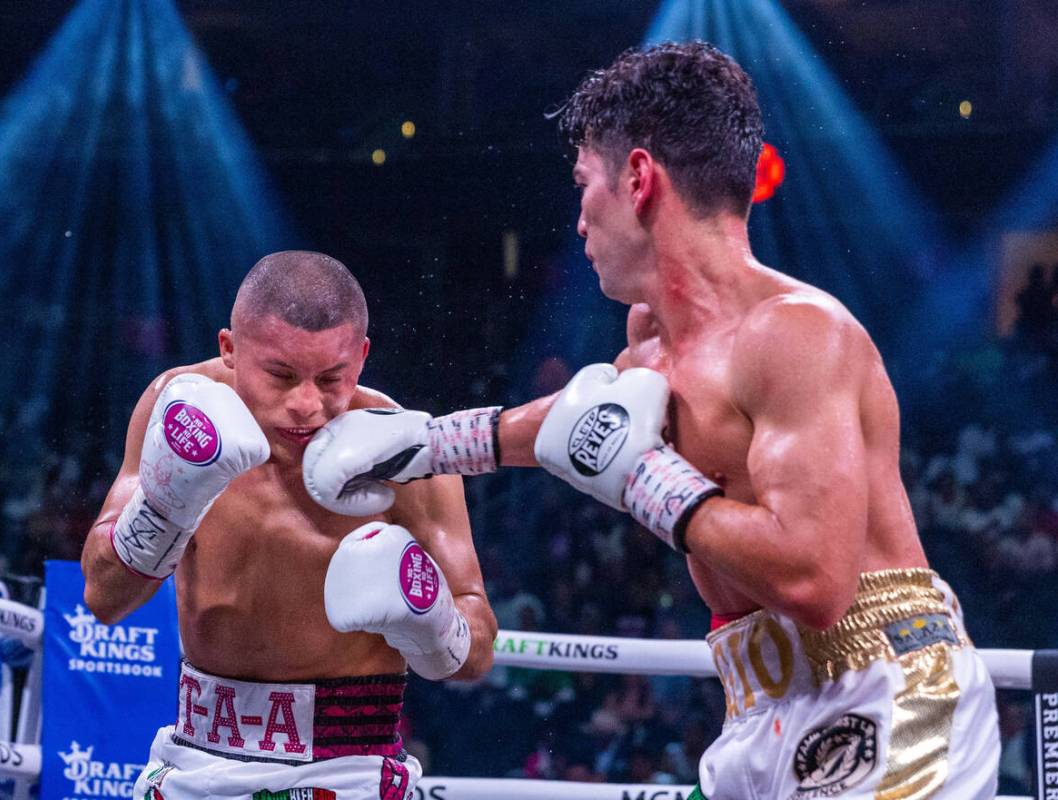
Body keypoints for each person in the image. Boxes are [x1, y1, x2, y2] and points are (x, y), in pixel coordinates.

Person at [302, 42, 1000, 798]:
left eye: (583, 186)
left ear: (637, 180)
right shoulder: (651, 347)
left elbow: (816, 579)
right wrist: (423, 444)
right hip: (760, 709)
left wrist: (644, 476)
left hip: (887, 688)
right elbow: (571, 425)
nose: (577, 222)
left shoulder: (797, 335)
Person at [80, 251, 497, 800]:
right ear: (229, 349)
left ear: (363, 357)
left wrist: (431, 618)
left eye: (331, 378)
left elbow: (479, 650)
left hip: (349, 770)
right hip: (194, 762)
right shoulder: (179, 408)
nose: (306, 404)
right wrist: (166, 505)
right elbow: (103, 597)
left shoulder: (406, 458)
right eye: (280, 374)